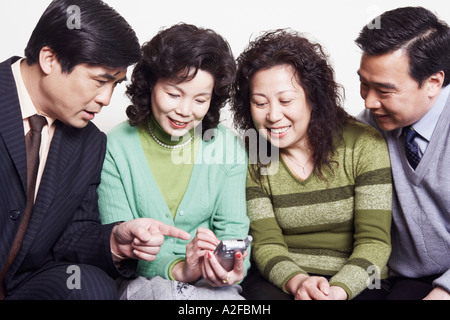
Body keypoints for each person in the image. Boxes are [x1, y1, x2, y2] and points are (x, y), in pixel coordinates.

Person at [0, 0, 190, 300]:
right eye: (100, 81)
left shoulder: (90, 142)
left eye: (115, 84)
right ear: (49, 59)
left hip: (23, 286)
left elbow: (72, 237)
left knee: (91, 286)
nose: (105, 99)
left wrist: (116, 241)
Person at [231, 29, 392, 300]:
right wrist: (299, 282)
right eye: (260, 103)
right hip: (284, 277)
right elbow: (267, 243)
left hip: (358, 278)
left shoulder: (364, 144)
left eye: (285, 101)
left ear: (313, 97)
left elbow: (374, 241)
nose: (272, 115)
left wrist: (339, 290)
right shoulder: (252, 153)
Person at [97, 23, 250, 300]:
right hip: (143, 282)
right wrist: (179, 268)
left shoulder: (227, 146)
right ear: (151, 84)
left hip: (211, 286)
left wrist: (231, 268)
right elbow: (121, 245)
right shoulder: (116, 146)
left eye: (200, 99)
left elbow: (234, 232)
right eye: (173, 94)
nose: (184, 111)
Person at [356, 6, 450, 300]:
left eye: (384, 91)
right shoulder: (368, 125)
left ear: (433, 83)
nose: (370, 101)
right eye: (363, 83)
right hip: (404, 280)